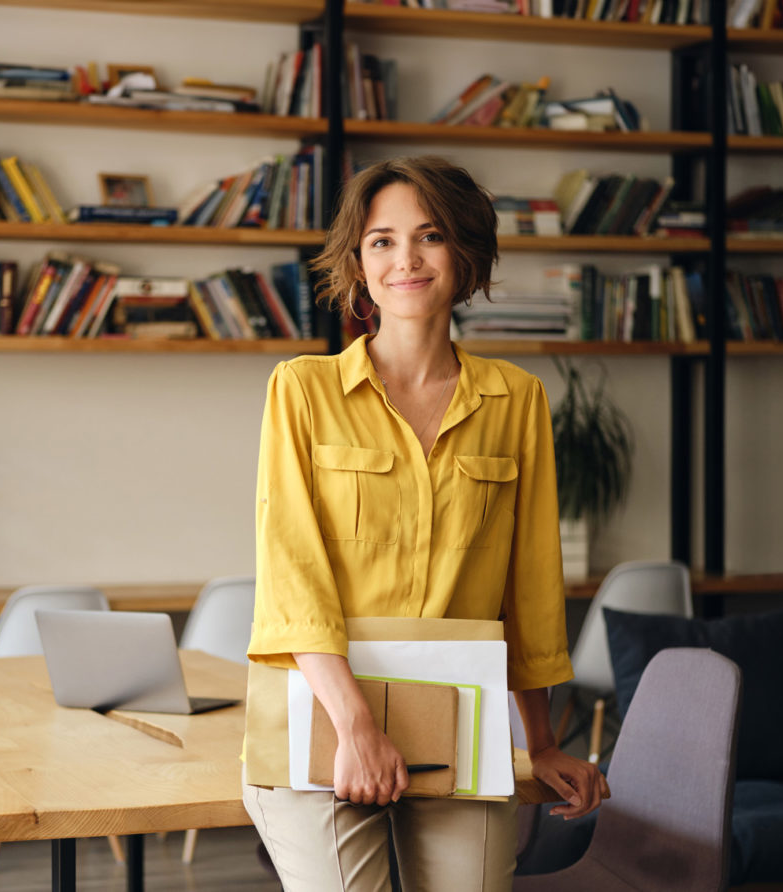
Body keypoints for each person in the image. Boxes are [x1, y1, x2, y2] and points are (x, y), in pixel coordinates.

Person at [243, 156, 607, 892]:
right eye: (381, 240)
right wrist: (357, 726)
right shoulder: (301, 390)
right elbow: (293, 576)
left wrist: (540, 744)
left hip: (461, 726)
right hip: (322, 717)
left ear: (465, 255)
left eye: (429, 236)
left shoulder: (517, 399)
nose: (404, 259)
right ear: (358, 263)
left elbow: (529, 587)